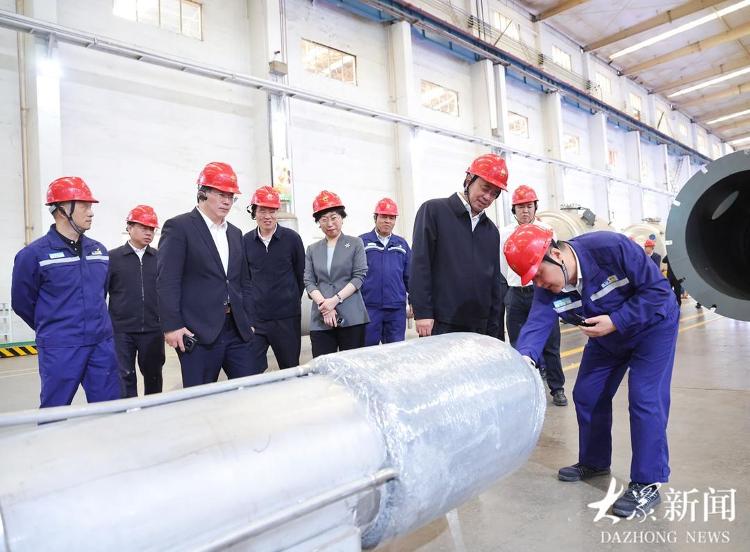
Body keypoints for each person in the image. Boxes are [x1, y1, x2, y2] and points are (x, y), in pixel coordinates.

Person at [504, 224, 679, 518]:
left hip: (652, 328)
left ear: (556, 255)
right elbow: (537, 322)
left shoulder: (611, 248)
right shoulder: (548, 285)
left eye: (540, 275)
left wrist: (617, 320)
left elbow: (658, 292)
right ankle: (595, 461)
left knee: (645, 398)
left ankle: (647, 483)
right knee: (587, 393)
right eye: (533, 280)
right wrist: (524, 361)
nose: (539, 285)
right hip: (606, 337)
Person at [11, 176, 121, 407]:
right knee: (55, 410)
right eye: (84, 206)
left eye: (90, 206)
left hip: (101, 344)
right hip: (60, 347)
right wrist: (54, 327)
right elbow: (22, 303)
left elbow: (100, 294)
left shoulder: (99, 251)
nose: (91, 213)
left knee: (110, 408)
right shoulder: (34, 255)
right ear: (62, 209)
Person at [157, 162, 262, 387]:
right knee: (200, 398)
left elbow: (243, 281)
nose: (227, 201)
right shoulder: (179, 227)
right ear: (202, 193)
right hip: (198, 331)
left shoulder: (235, 233)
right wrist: (172, 326)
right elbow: (167, 280)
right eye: (221, 194)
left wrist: (249, 320)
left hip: (237, 328)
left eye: (231, 196)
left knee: (249, 391)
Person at [410, 153, 507, 338]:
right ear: (469, 179)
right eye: (485, 188)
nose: (488, 197)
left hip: (479, 324)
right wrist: (422, 312)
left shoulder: (491, 231)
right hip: (441, 321)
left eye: (494, 193)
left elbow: (494, 281)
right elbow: (420, 264)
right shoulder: (433, 211)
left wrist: (494, 327)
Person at [500, 185, 567, 406]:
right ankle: (526, 390)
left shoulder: (547, 231)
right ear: (514, 210)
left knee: (551, 343)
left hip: (542, 293)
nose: (525, 211)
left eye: (529, 206)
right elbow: (502, 265)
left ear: (535, 207)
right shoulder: (505, 233)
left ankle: (557, 388)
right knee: (518, 343)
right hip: (515, 294)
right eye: (520, 207)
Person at [243, 186, 305, 369]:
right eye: (262, 211)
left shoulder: (292, 239)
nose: (267, 216)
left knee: (290, 368)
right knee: (249, 369)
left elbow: (301, 275)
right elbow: (244, 280)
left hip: (287, 319)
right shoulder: (246, 241)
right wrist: (249, 316)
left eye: (272, 211)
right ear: (254, 212)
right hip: (256, 320)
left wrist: (289, 299)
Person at [108, 205, 165, 397]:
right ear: (129, 227)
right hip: (121, 331)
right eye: (144, 227)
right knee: (124, 375)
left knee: (154, 375)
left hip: (153, 329)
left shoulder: (159, 258)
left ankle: (154, 409)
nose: (149, 233)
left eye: (152, 229)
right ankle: (128, 411)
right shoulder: (112, 258)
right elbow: (101, 293)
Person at [304, 190, 369, 357]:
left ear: (342, 218)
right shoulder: (312, 249)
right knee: (322, 365)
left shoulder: (355, 243)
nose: (329, 223)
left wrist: (334, 300)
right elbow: (309, 281)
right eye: (323, 219)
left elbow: (359, 276)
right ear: (318, 222)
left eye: (334, 217)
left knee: (353, 365)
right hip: (321, 318)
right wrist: (325, 306)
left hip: (352, 316)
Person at [359, 198, 412, 346]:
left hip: (396, 309)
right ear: (375, 218)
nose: (387, 221)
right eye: (383, 217)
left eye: (391, 218)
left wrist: (413, 301)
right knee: (368, 350)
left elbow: (410, 276)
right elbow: (354, 275)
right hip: (369, 307)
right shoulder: (362, 242)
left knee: (395, 350)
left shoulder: (401, 244)